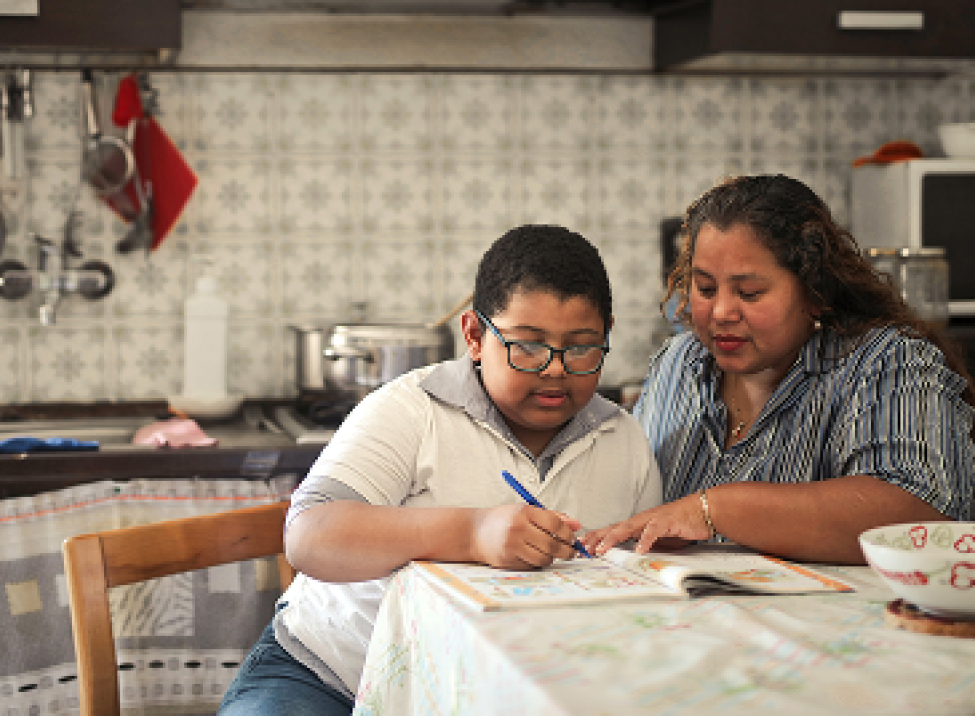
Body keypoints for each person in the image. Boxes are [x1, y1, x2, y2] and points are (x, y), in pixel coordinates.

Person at [218, 224, 662, 715]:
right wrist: (473, 532)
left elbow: (642, 585)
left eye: (581, 347)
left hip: (501, 693)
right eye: (528, 346)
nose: (555, 368)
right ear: (474, 335)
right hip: (330, 678)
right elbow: (310, 536)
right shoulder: (412, 409)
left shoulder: (623, 440)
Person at [583, 174, 975, 566]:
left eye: (749, 293)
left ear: (815, 292)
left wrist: (714, 509)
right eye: (704, 288)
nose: (721, 312)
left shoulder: (888, 363)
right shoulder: (678, 363)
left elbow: (918, 517)